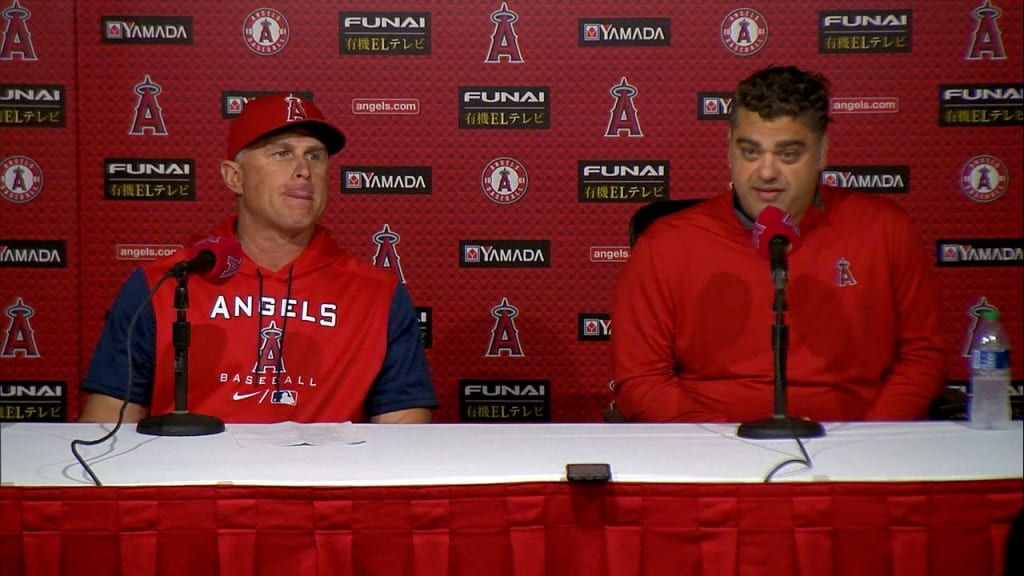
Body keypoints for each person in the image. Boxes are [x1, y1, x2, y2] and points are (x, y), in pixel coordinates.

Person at [610, 65, 946, 423]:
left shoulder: (884, 229)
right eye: (750, 152)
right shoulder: (667, 243)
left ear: (822, 152)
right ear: (729, 151)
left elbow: (922, 357)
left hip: (855, 450)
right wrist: (715, 449)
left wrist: (871, 443)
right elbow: (640, 379)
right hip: (712, 454)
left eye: (788, 154)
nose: (767, 172)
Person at [80, 93, 436, 424]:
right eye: (281, 153)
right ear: (234, 177)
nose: (303, 170)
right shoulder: (167, 282)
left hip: (322, 486)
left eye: (315, 155)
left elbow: (403, 432)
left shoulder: (377, 293)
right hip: (199, 485)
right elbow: (107, 421)